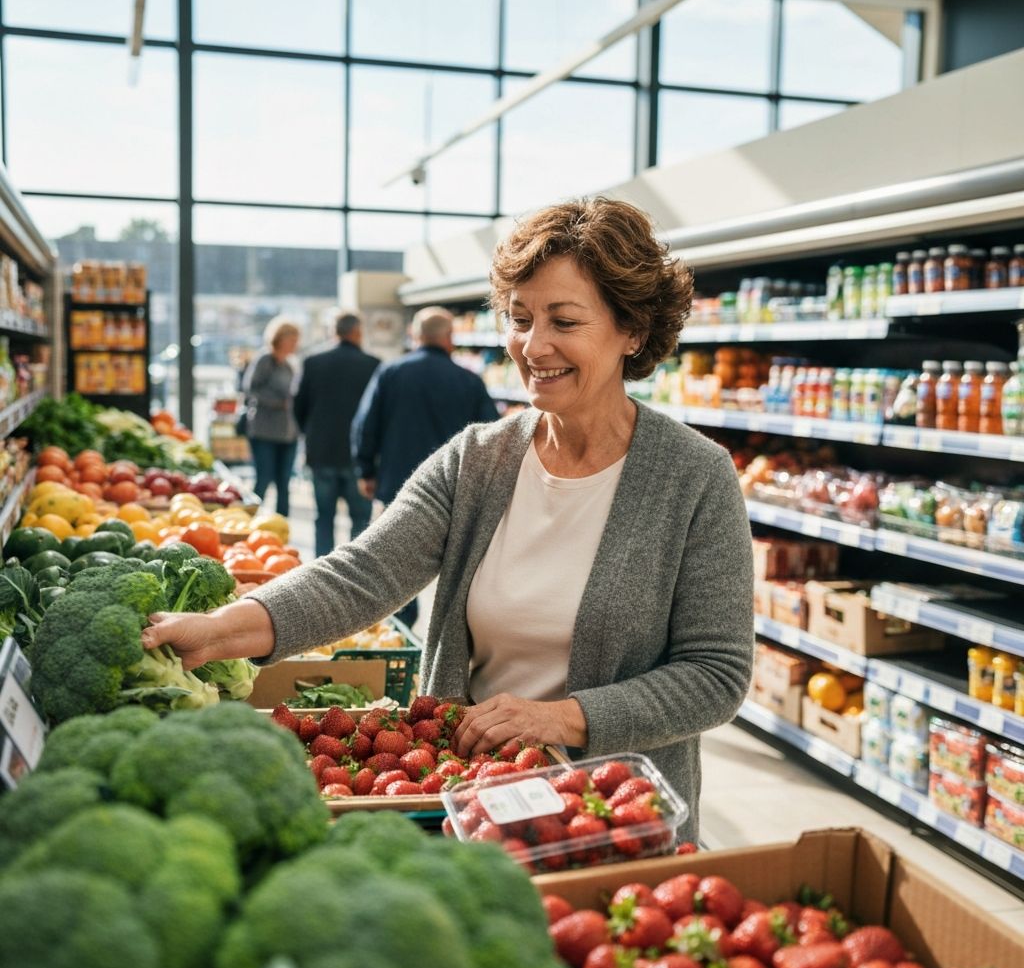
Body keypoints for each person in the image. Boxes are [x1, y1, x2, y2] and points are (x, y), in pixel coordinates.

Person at [143, 197, 754, 842]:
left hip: (613, 821)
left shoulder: (695, 478)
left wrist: (563, 718)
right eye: (520, 318)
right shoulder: (477, 461)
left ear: (633, 331)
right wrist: (218, 630)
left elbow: (714, 672)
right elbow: (361, 574)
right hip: (469, 805)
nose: (533, 345)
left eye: (565, 321)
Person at [351, 305, 499, 626]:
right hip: (457, 489)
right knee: (456, 566)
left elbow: (366, 425)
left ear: (416, 336)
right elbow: (493, 435)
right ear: (450, 338)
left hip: (397, 484)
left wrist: (366, 470)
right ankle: (449, 634)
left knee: (395, 566)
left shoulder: (391, 373)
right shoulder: (469, 381)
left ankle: (401, 629)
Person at [293, 310, 380, 556]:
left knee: (324, 517)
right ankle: (354, 573)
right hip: (357, 456)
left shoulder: (312, 363)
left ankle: (321, 569)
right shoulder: (372, 365)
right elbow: (376, 416)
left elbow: (298, 407)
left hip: (321, 452)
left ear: (334, 332)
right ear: (357, 332)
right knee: (360, 520)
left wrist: (309, 435)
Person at [242, 317, 300, 518]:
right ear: (280, 338)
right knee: (263, 479)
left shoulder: (289, 365)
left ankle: (281, 526)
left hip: (288, 433)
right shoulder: (265, 360)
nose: (295, 344)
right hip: (265, 431)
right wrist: (278, 402)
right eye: (292, 339)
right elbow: (251, 390)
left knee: (284, 482)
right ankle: (248, 521)